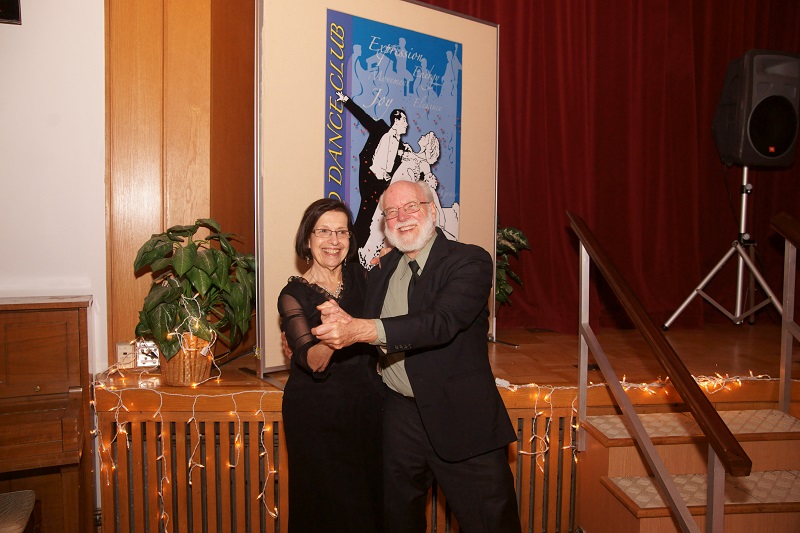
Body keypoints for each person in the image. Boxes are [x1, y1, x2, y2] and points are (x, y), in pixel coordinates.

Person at [313, 181, 521, 533]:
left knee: (490, 522)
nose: (402, 217)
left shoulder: (469, 260)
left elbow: (438, 323)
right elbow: (354, 317)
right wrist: (309, 338)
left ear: (432, 210)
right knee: (397, 520)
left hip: (461, 417)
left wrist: (361, 330)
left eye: (411, 207)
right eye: (391, 212)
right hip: (399, 416)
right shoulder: (382, 269)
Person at [277, 198, 384, 533]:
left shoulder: (364, 278)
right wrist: (337, 336)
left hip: (368, 406)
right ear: (307, 239)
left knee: (369, 501)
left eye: (341, 232)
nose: (333, 241)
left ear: (351, 238)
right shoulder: (292, 295)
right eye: (323, 231)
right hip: (315, 412)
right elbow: (312, 361)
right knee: (324, 503)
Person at [337, 91, 410, 256]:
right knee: (366, 216)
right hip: (370, 181)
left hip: (383, 187)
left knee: (371, 220)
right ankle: (352, 254)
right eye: (404, 120)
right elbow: (363, 117)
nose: (407, 124)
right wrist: (346, 101)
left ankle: (358, 253)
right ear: (397, 120)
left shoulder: (402, 147)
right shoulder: (381, 129)